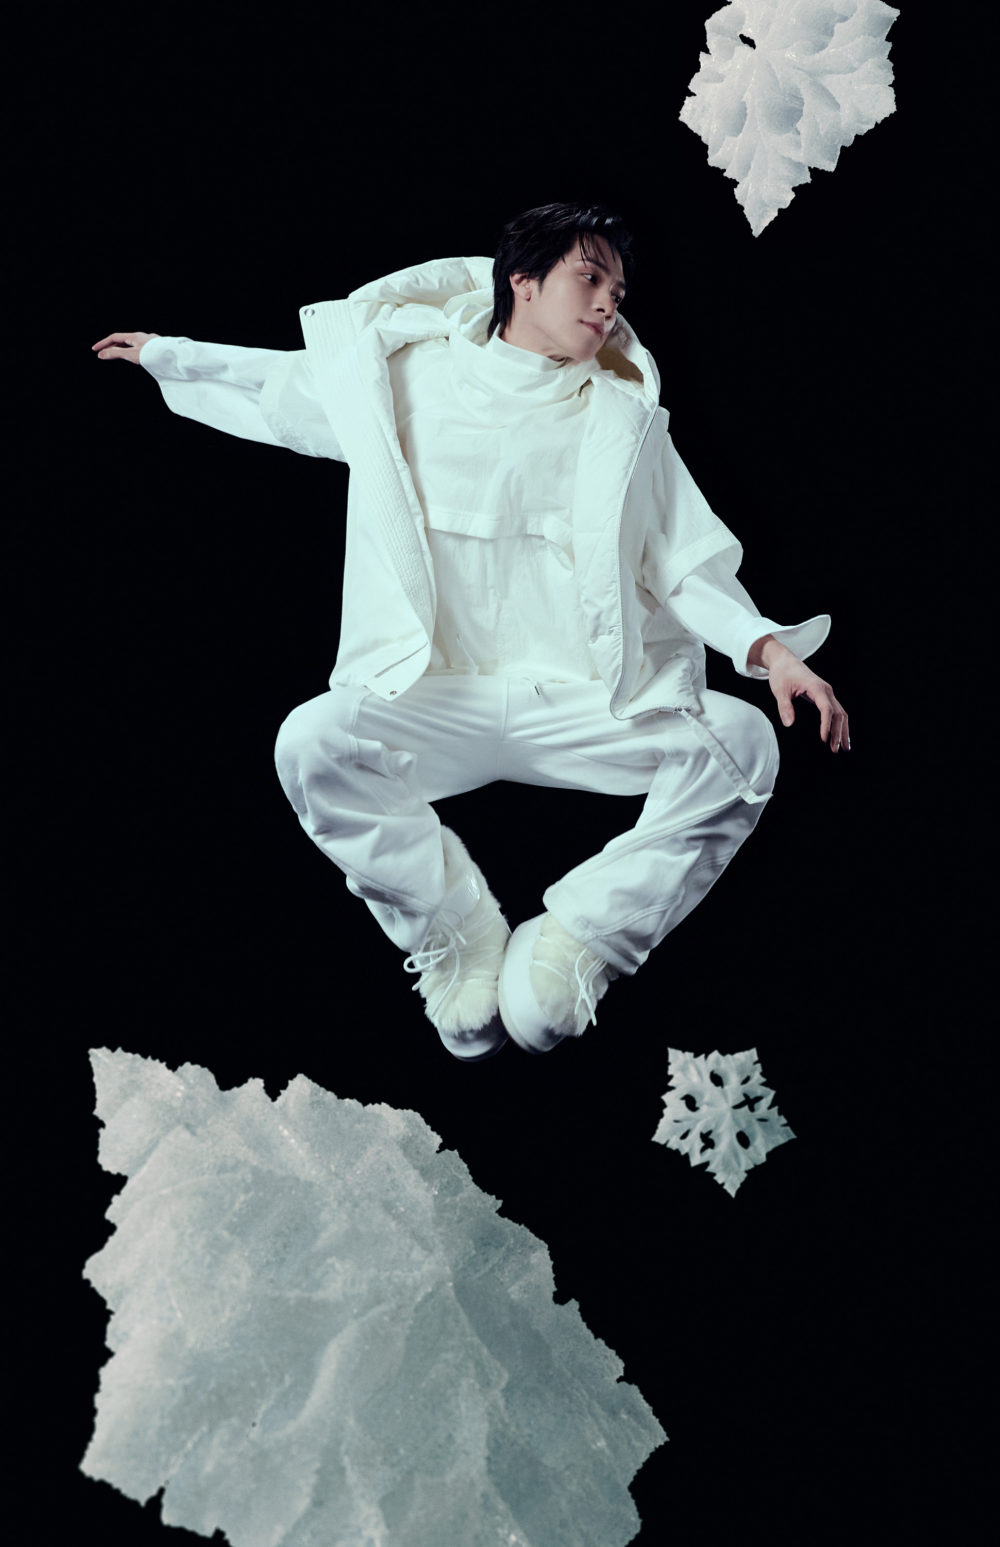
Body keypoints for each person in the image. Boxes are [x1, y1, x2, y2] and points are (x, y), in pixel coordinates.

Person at [93, 202, 849, 1065]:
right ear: (522, 280)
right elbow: (286, 388)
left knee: (744, 745)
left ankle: (582, 941)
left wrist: (773, 654)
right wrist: (169, 354)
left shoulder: (626, 422)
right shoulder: (406, 378)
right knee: (310, 741)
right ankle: (451, 928)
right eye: (589, 277)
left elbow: (685, 563)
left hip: (577, 703)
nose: (609, 302)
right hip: (435, 698)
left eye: (618, 289)